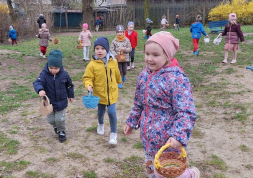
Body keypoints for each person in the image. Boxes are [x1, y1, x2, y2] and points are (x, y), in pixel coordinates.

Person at [123, 31, 199, 178]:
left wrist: (178, 135)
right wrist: (131, 121)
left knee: (169, 173)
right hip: (148, 139)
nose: (149, 59)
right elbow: (139, 102)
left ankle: (191, 174)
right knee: (152, 170)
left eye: (155, 55)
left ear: (167, 56)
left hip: (168, 141)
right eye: (147, 54)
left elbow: (186, 111)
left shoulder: (176, 79)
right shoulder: (144, 75)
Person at [83, 37, 122, 145]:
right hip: (99, 94)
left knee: (111, 112)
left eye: (102, 48)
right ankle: (100, 124)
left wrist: (119, 81)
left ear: (107, 50)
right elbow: (87, 78)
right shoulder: (92, 65)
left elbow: (117, 72)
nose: (99, 51)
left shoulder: (113, 61)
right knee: (100, 112)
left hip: (112, 93)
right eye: (97, 48)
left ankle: (113, 134)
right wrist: (89, 85)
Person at [33, 50, 74, 143]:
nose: (53, 70)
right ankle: (55, 126)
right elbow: (37, 82)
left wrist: (70, 95)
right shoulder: (44, 74)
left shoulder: (64, 74)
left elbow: (69, 85)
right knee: (51, 120)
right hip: (49, 103)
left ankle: (61, 131)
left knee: (59, 119)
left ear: (60, 67)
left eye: (56, 68)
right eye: (51, 68)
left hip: (61, 102)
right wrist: (40, 89)